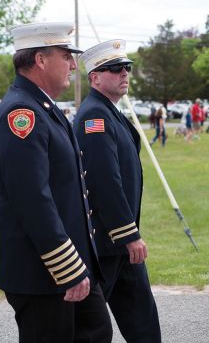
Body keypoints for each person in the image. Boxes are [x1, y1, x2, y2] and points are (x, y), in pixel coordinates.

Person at [0, 22, 112, 343]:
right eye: (66, 55)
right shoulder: (21, 113)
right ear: (41, 60)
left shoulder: (42, 107)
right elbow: (32, 200)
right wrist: (68, 269)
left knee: (97, 333)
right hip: (44, 275)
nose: (73, 64)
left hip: (67, 268)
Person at [73, 40, 161, 343]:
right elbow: (102, 180)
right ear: (95, 78)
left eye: (127, 68)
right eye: (114, 69)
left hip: (120, 246)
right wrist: (128, 235)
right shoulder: (93, 117)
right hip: (107, 244)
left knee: (144, 322)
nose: (124, 73)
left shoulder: (109, 111)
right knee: (89, 328)